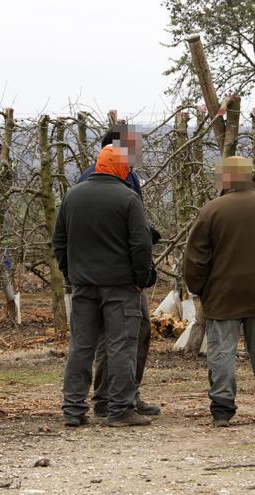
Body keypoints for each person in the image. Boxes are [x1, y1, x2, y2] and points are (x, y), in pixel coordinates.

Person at [183, 156, 255, 427]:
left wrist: (199, 288)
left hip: (222, 293)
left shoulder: (211, 210)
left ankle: (221, 409)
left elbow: (196, 256)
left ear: (225, 178)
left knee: (222, 351)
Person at [53, 145, 154, 427]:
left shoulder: (72, 196)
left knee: (81, 347)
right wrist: (139, 279)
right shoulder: (128, 198)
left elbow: (59, 241)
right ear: (121, 167)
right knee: (121, 346)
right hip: (121, 287)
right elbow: (141, 244)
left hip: (83, 285)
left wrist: (70, 273)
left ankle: (73, 410)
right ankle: (120, 409)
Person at [78, 125, 162, 418]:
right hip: (120, 275)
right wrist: (142, 273)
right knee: (127, 333)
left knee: (115, 336)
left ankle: (112, 397)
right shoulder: (115, 178)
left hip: (99, 272)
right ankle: (119, 399)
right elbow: (124, 228)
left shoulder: (98, 176)